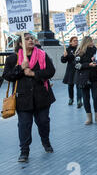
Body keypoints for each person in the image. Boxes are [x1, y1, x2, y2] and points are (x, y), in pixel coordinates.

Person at [2, 33, 56, 162]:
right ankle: (24, 151)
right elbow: (7, 76)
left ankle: (46, 142)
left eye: (31, 38)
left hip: (42, 97)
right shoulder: (12, 59)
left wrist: (33, 73)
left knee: (43, 122)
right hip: (23, 99)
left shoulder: (42, 55)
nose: (30, 40)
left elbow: (51, 71)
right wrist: (20, 68)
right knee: (24, 125)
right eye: (26, 39)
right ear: (20, 43)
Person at [75, 36, 97, 125]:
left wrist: (96, 62)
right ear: (87, 42)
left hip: (95, 77)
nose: (92, 42)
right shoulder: (79, 52)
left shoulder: (96, 50)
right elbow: (77, 66)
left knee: (96, 97)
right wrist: (88, 64)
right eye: (91, 41)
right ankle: (89, 117)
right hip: (83, 79)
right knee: (86, 98)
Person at [61, 36, 83, 108]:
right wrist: (64, 56)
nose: (76, 41)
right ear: (70, 42)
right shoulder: (67, 49)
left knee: (78, 86)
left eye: (77, 40)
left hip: (78, 69)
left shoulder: (80, 49)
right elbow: (63, 61)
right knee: (70, 85)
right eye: (74, 40)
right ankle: (71, 98)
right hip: (70, 70)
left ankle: (79, 100)